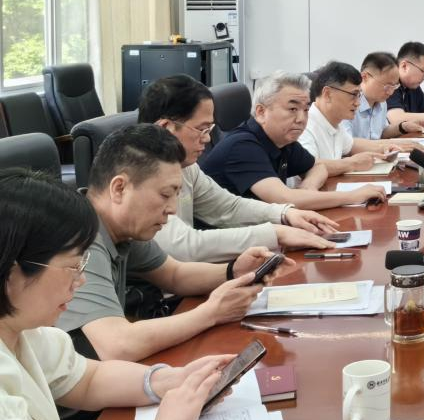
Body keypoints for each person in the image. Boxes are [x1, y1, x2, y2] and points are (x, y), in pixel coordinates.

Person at [0, 170, 240, 420]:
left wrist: (169, 380)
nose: (81, 280)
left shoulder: (23, 331)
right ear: (12, 274)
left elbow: (88, 379)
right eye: (72, 267)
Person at [57, 125, 293, 363]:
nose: (172, 209)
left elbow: (174, 274)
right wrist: (211, 313)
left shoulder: (120, 227)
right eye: (165, 195)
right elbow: (117, 345)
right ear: (119, 188)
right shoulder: (78, 237)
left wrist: (234, 270)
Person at [136, 75, 335, 261]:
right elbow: (184, 245)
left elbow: (228, 207)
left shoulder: (187, 167)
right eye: (201, 129)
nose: (207, 139)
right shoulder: (138, 175)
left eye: (209, 130)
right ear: (166, 128)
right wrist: (275, 233)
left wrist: (285, 214)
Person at [200, 72, 388, 211]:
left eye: (305, 110)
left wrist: (309, 186)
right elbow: (284, 199)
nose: (301, 119)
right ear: (261, 112)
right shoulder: (242, 147)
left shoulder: (283, 140)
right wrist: (352, 196)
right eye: (292, 109)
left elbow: (318, 166)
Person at [299, 61, 407, 165]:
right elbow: (310, 166)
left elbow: (352, 145)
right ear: (327, 94)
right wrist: (352, 163)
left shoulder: (334, 123)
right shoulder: (304, 127)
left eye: (359, 95)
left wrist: (384, 148)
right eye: (353, 95)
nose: (358, 103)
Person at [348, 52, 411, 141]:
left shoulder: (382, 103)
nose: (390, 92)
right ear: (364, 77)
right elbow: (347, 143)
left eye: (394, 86)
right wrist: (382, 146)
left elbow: (382, 132)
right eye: (387, 86)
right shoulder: (348, 103)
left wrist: (403, 127)